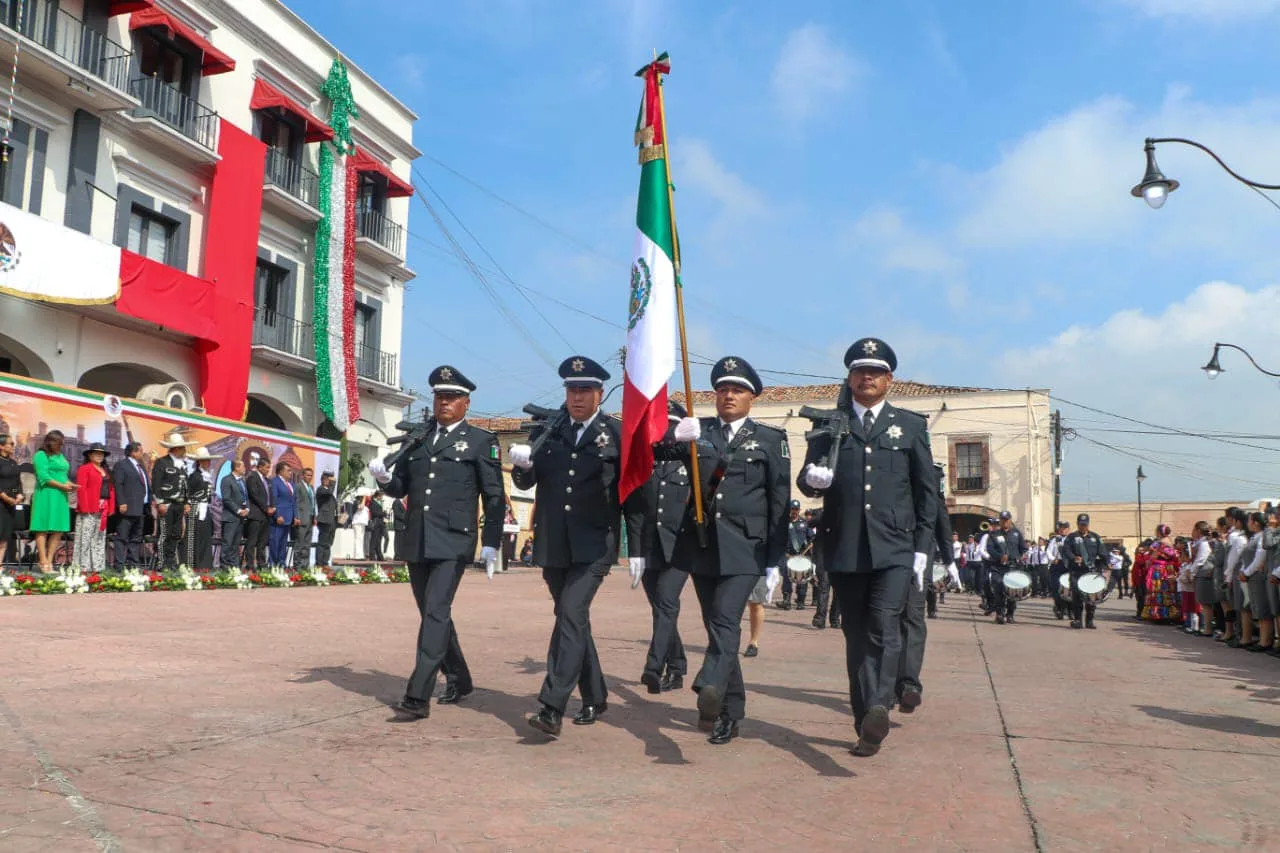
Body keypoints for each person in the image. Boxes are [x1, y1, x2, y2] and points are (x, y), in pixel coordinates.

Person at [798, 337, 937, 757]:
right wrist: (811, 479)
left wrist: (922, 549)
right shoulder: (828, 424)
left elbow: (925, 491)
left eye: (875, 372)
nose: (867, 377)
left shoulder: (910, 426)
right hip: (844, 544)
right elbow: (808, 481)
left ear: (889, 379)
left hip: (895, 547)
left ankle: (878, 702)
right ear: (850, 377)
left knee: (884, 625)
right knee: (856, 635)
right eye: (860, 371)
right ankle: (866, 721)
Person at [509, 355, 642, 738]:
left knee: (570, 612)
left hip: (594, 544)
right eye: (572, 389)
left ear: (600, 393)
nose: (577, 396)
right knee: (573, 620)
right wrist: (521, 465)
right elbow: (525, 483)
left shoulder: (615, 435)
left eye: (585, 390)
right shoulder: (548, 431)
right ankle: (596, 694)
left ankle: (552, 706)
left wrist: (638, 547)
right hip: (554, 542)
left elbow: (633, 495)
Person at [662, 355, 789, 744]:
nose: (728, 396)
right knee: (717, 627)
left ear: (752, 397)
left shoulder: (770, 439)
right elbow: (655, 457)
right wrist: (673, 438)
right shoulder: (699, 433)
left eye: (737, 390)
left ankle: (709, 684)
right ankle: (730, 712)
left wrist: (775, 560)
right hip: (702, 546)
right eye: (722, 389)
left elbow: (779, 501)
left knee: (725, 620)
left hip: (747, 549)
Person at [370, 365, 506, 719]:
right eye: (440, 396)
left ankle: (418, 694)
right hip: (418, 537)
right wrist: (385, 480)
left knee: (434, 611)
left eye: (452, 397)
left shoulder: (480, 441)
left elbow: (494, 495)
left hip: (453, 540)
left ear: (466, 402)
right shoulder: (417, 438)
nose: (444, 402)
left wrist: (491, 542)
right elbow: (403, 486)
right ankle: (459, 677)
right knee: (433, 614)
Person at [634, 400, 693, 695]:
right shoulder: (645, 462)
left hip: (680, 548)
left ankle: (654, 666)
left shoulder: (691, 461)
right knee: (660, 609)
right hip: (648, 547)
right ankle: (678, 664)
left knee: (667, 604)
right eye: (661, 425)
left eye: (671, 425)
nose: (665, 432)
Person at [896, 465, 959, 713]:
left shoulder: (929, 473)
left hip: (919, 559)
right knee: (886, 619)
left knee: (912, 617)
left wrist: (950, 560)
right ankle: (887, 684)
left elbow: (940, 519)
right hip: (887, 553)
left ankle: (909, 685)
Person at [31, 430, 76, 571]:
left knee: (58, 528)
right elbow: (43, 476)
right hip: (46, 494)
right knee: (42, 527)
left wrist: (71, 484)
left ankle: (50, 561)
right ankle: (43, 561)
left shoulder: (60, 456)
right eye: (59, 444)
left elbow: (62, 475)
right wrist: (63, 486)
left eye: (62, 444)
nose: (61, 447)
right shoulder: (40, 455)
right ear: (51, 442)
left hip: (60, 497)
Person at [153, 432, 195, 571]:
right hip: (167, 503)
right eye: (183, 448)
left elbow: (185, 485)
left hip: (179, 504)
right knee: (164, 534)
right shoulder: (161, 462)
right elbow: (156, 484)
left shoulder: (183, 465)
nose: (184, 451)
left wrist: (187, 502)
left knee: (176, 534)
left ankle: (170, 562)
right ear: (176, 448)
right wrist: (160, 502)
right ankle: (161, 563)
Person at [1061, 514, 1110, 629]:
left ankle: (1089, 621)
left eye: (1085, 524)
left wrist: (1106, 564)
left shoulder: (1095, 537)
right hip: (1076, 571)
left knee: (1091, 597)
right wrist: (1074, 557)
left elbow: (1103, 553)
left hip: (1091, 572)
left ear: (1088, 524)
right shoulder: (1071, 537)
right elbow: (1066, 551)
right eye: (1081, 524)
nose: (1083, 526)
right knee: (1077, 597)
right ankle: (1078, 620)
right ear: (1077, 524)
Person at [72, 443, 115, 572]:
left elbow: (111, 490)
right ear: (90, 455)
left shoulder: (106, 471)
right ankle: (83, 567)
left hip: (103, 508)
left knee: (99, 538)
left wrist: (111, 507)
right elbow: (81, 489)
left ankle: (97, 566)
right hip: (89, 508)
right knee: (85, 538)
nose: (99, 456)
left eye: (101, 453)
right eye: (96, 453)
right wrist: (85, 507)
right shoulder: (85, 469)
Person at [111, 442, 150, 569]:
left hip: (140, 508)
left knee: (136, 538)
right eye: (140, 451)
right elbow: (118, 484)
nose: (142, 453)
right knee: (122, 537)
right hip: (127, 508)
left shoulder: (140, 467)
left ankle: (133, 564)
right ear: (133, 452)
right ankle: (119, 566)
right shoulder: (122, 465)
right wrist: (121, 502)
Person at [985, 510, 1027, 625]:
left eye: (1007, 519)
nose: (1005, 522)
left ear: (1010, 520)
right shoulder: (994, 534)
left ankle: (1010, 614)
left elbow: (1023, 548)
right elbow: (990, 549)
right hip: (998, 567)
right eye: (1003, 520)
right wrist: (999, 557)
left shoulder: (1017, 533)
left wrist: (1022, 555)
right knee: (998, 588)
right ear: (1000, 521)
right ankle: (999, 614)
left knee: (1012, 592)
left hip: (1013, 567)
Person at [1138, 523, 1182, 625]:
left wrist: (1149, 561)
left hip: (1158, 569)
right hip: (1168, 569)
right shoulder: (1170, 542)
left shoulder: (1158, 544)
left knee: (1158, 590)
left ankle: (1159, 615)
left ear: (1159, 532)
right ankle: (1170, 614)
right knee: (1168, 590)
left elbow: (1153, 556)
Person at [776, 500, 812, 612]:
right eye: (792, 509)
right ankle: (786, 601)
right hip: (787, 555)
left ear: (799, 510)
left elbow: (811, 539)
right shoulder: (784, 523)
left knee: (802, 578)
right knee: (787, 577)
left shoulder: (805, 523)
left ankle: (800, 601)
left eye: (796, 509)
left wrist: (805, 552)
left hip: (801, 555)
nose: (794, 511)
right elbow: (779, 539)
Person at [810, 507, 842, 629]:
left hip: (839, 557)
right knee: (824, 587)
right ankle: (820, 618)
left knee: (838, 590)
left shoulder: (843, 513)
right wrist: (826, 513)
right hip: (823, 556)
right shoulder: (821, 513)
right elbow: (810, 523)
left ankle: (835, 619)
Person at [184, 447, 215, 570]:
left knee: (205, 536)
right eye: (206, 460)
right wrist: (188, 504)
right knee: (195, 537)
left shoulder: (206, 475)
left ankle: (205, 564)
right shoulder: (194, 476)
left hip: (205, 509)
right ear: (200, 462)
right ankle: (194, 564)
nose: (209, 463)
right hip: (196, 509)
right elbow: (187, 492)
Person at [243, 458, 273, 570]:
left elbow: (271, 496)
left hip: (266, 516)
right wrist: (266, 508)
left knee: (262, 542)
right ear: (259, 467)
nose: (268, 470)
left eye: (269, 467)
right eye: (266, 467)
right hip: (256, 515)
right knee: (252, 541)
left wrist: (272, 507)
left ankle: (261, 564)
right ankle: (250, 564)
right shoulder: (252, 477)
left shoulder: (267, 480)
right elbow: (254, 495)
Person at [219, 460, 249, 568]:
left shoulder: (242, 481)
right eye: (243, 466)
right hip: (230, 518)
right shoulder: (226, 480)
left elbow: (246, 498)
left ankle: (234, 566)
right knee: (228, 542)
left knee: (236, 544)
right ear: (236, 468)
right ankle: (224, 566)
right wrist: (239, 510)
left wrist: (247, 509)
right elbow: (226, 499)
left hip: (240, 518)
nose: (245, 468)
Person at [0, 433, 24, 567]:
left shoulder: (14, 463)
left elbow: (18, 482)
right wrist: (5, 497)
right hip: (1, 502)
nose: (13, 446)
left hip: (9, 505)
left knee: (4, 537)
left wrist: (19, 495)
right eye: (11, 444)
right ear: (1, 446)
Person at [268, 462, 296, 567]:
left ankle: (281, 564)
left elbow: (293, 502)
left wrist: (295, 517)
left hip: (288, 518)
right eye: (288, 470)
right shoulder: (275, 482)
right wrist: (277, 515)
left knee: (283, 543)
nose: (290, 472)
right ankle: (273, 564)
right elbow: (273, 499)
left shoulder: (291, 484)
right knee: (275, 542)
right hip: (279, 518)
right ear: (281, 471)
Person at [292, 466, 316, 570]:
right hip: (301, 519)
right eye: (307, 475)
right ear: (303, 475)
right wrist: (296, 517)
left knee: (307, 545)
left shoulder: (311, 487)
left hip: (310, 519)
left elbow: (313, 503)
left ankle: (305, 566)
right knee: (299, 544)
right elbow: (295, 503)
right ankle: (297, 566)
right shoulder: (298, 486)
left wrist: (314, 516)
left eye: (311, 475)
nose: (309, 477)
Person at [1047, 521, 1071, 619]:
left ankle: (1070, 610)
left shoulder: (1072, 539)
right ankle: (1059, 607)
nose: (1063, 529)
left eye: (1065, 528)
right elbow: (1048, 551)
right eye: (1061, 527)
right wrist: (1052, 559)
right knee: (1056, 587)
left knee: (1069, 589)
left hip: (1068, 565)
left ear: (1068, 529)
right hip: (1057, 565)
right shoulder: (1055, 539)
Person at [314, 472, 338, 567]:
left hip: (331, 520)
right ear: (323, 480)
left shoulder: (329, 492)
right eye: (328, 480)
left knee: (328, 543)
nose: (330, 482)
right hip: (324, 519)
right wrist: (333, 483)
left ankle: (325, 562)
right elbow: (329, 492)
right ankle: (319, 563)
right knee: (322, 542)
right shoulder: (321, 489)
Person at [368, 490, 387, 561]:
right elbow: (374, 513)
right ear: (378, 496)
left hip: (380, 523)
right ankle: (372, 556)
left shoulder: (379, 503)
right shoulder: (373, 502)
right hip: (376, 523)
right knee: (374, 540)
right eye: (381, 496)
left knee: (379, 540)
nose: (382, 497)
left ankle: (380, 556)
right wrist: (382, 513)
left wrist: (383, 513)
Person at [391, 495, 407, 561]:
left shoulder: (403, 503)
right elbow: (397, 514)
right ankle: (397, 555)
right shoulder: (396, 502)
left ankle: (401, 555)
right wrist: (406, 517)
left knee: (402, 541)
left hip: (404, 525)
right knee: (398, 541)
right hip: (399, 525)